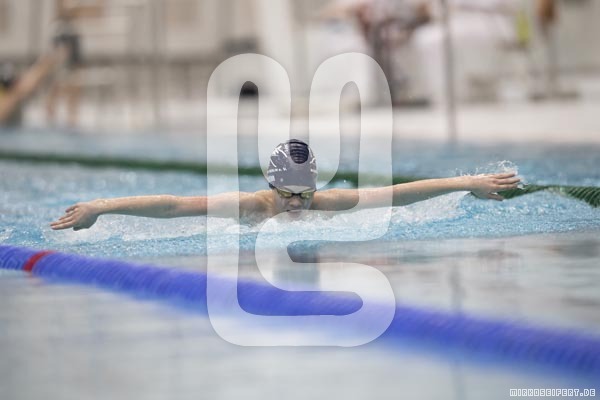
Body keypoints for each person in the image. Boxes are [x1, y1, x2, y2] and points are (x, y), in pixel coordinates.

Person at [50, 139, 521, 230]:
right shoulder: (250, 206)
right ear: (271, 185)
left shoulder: (325, 203)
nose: (297, 203)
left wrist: (466, 182)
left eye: (305, 194)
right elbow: (174, 205)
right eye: (288, 194)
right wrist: (101, 206)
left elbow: (398, 194)